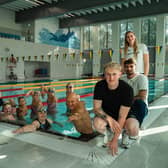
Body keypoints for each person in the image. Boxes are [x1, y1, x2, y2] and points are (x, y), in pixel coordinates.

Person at [93, 62, 133, 156]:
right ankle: (108, 133)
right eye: (108, 74)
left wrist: (115, 140)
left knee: (133, 128)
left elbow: (122, 116)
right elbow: (97, 108)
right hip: (107, 114)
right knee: (97, 123)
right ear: (104, 75)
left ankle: (125, 133)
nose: (111, 78)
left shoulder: (127, 90)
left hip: (123, 115)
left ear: (120, 74)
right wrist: (109, 119)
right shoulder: (100, 86)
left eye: (114, 74)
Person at [121, 58, 148, 148]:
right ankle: (126, 130)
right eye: (126, 67)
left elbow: (142, 96)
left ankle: (135, 126)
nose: (128, 68)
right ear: (124, 68)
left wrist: (125, 100)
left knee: (139, 102)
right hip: (126, 105)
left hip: (138, 106)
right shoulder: (122, 79)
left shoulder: (142, 78)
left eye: (131, 66)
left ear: (135, 66)